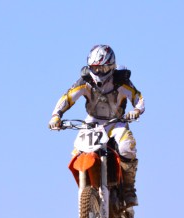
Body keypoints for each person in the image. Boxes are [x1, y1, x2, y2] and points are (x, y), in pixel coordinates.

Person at [48, 44, 145, 206]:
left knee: (126, 148)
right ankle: (88, 186)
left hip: (116, 122)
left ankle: (129, 189)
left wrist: (136, 110)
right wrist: (56, 115)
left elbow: (138, 98)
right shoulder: (85, 81)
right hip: (92, 122)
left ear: (111, 66)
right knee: (77, 151)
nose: (98, 72)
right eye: (95, 68)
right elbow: (68, 97)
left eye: (102, 68)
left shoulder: (121, 81)